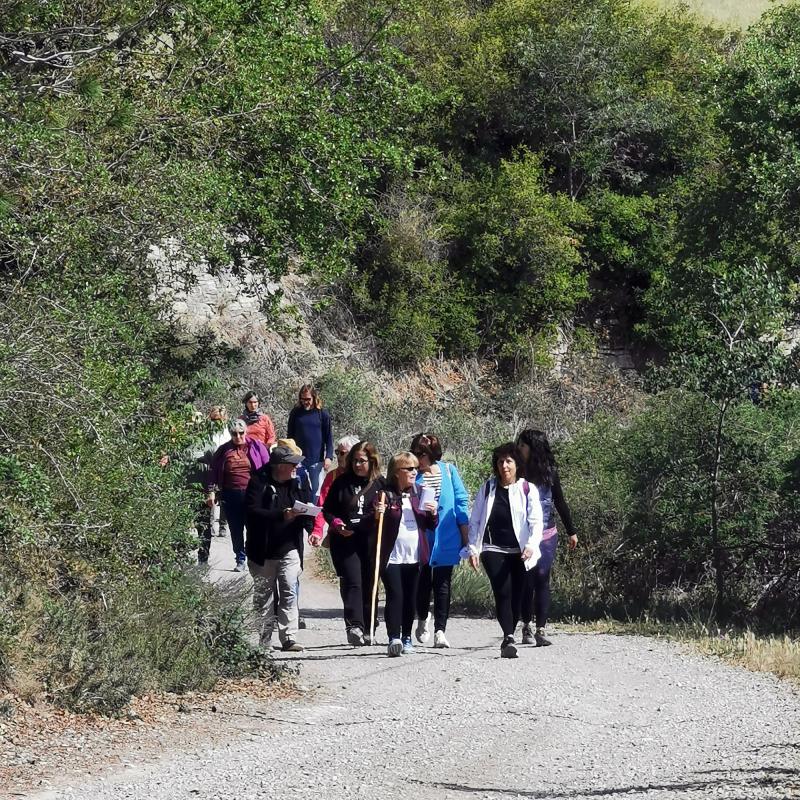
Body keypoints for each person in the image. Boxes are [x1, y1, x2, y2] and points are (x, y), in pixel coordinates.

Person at [464, 442, 543, 658]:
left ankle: (512, 627)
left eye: (509, 461)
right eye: (500, 462)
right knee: (502, 591)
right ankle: (508, 636)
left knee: (518, 594)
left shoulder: (528, 489)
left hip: (520, 550)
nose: (504, 466)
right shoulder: (488, 488)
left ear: (517, 464)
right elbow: (476, 520)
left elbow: (536, 522)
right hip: (492, 548)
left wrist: (531, 546)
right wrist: (473, 549)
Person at [245, 445, 312, 652]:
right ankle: (264, 640)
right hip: (262, 551)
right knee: (264, 597)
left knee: (289, 590)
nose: (296, 466)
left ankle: (289, 638)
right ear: (280, 466)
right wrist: (281, 514)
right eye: (292, 463)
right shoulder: (258, 482)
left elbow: (306, 509)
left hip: (289, 548)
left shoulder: (298, 482)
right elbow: (252, 512)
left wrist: (312, 530)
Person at [516, 429, 578, 647]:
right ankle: (526, 626)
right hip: (523, 535)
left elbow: (560, 501)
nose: (519, 449)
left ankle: (541, 628)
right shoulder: (516, 472)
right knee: (527, 581)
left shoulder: (550, 472)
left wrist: (572, 531)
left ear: (533, 448)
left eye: (523, 445)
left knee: (542, 577)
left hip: (547, 534)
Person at [373, 452, 438, 657]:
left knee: (411, 597)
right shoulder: (384, 494)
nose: (413, 472)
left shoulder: (420, 492)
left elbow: (430, 525)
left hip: (415, 555)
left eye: (415, 468)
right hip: (391, 555)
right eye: (409, 469)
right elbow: (373, 523)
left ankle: (407, 636)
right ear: (396, 472)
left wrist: (433, 512)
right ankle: (394, 637)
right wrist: (377, 512)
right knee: (395, 595)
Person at [410, 433, 469, 649]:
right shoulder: (412, 475)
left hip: (446, 536)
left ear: (432, 453)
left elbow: (461, 500)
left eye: (422, 454)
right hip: (422, 537)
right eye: (415, 453)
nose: (418, 458)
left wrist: (465, 534)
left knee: (443, 585)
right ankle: (422, 618)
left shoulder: (448, 471)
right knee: (422, 583)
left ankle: (440, 631)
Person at [322, 440, 383, 645]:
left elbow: (394, 507)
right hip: (346, 540)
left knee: (369, 582)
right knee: (352, 582)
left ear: (372, 461)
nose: (357, 465)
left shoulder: (381, 484)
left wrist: (384, 511)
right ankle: (354, 626)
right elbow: (328, 509)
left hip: (371, 540)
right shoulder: (341, 482)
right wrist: (337, 523)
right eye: (354, 461)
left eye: (362, 461)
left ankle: (370, 626)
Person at [209, 419, 270, 571]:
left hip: (252, 494)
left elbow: (268, 468)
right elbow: (213, 471)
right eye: (234, 434)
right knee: (236, 529)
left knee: (253, 527)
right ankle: (240, 558)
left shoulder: (255, 446)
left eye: (241, 433)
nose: (238, 436)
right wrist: (212, 491)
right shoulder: (224, 450)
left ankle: (254, 557)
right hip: (230, 494)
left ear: (246, 432)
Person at [189, 406, 229, 564]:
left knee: (203, 526)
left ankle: (203, 558)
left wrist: (212, 491)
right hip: (185, 491)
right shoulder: (184, 444)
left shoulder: (209, 446)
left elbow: (215, 469)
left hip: (203, 489)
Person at [311, 435, 360, 547]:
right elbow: (322, 506)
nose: (338, 456)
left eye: (342, 453)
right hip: (338, 533)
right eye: (337, 452)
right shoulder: (332, 477)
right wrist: (317, 531)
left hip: (362, 533)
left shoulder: (367, 477)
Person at [287, 384, 333, 500]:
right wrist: (290, 455)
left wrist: (329, 456)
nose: (305, 402)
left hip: (316, 460)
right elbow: (290, 436)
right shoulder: (295, 413)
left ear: (314, 397)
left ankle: (313, 515)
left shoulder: (322, 414)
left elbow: (328, 437)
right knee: (297, 486)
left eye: (308, 399)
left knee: (316, 490)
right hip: (298, 459)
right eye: (302, 399)